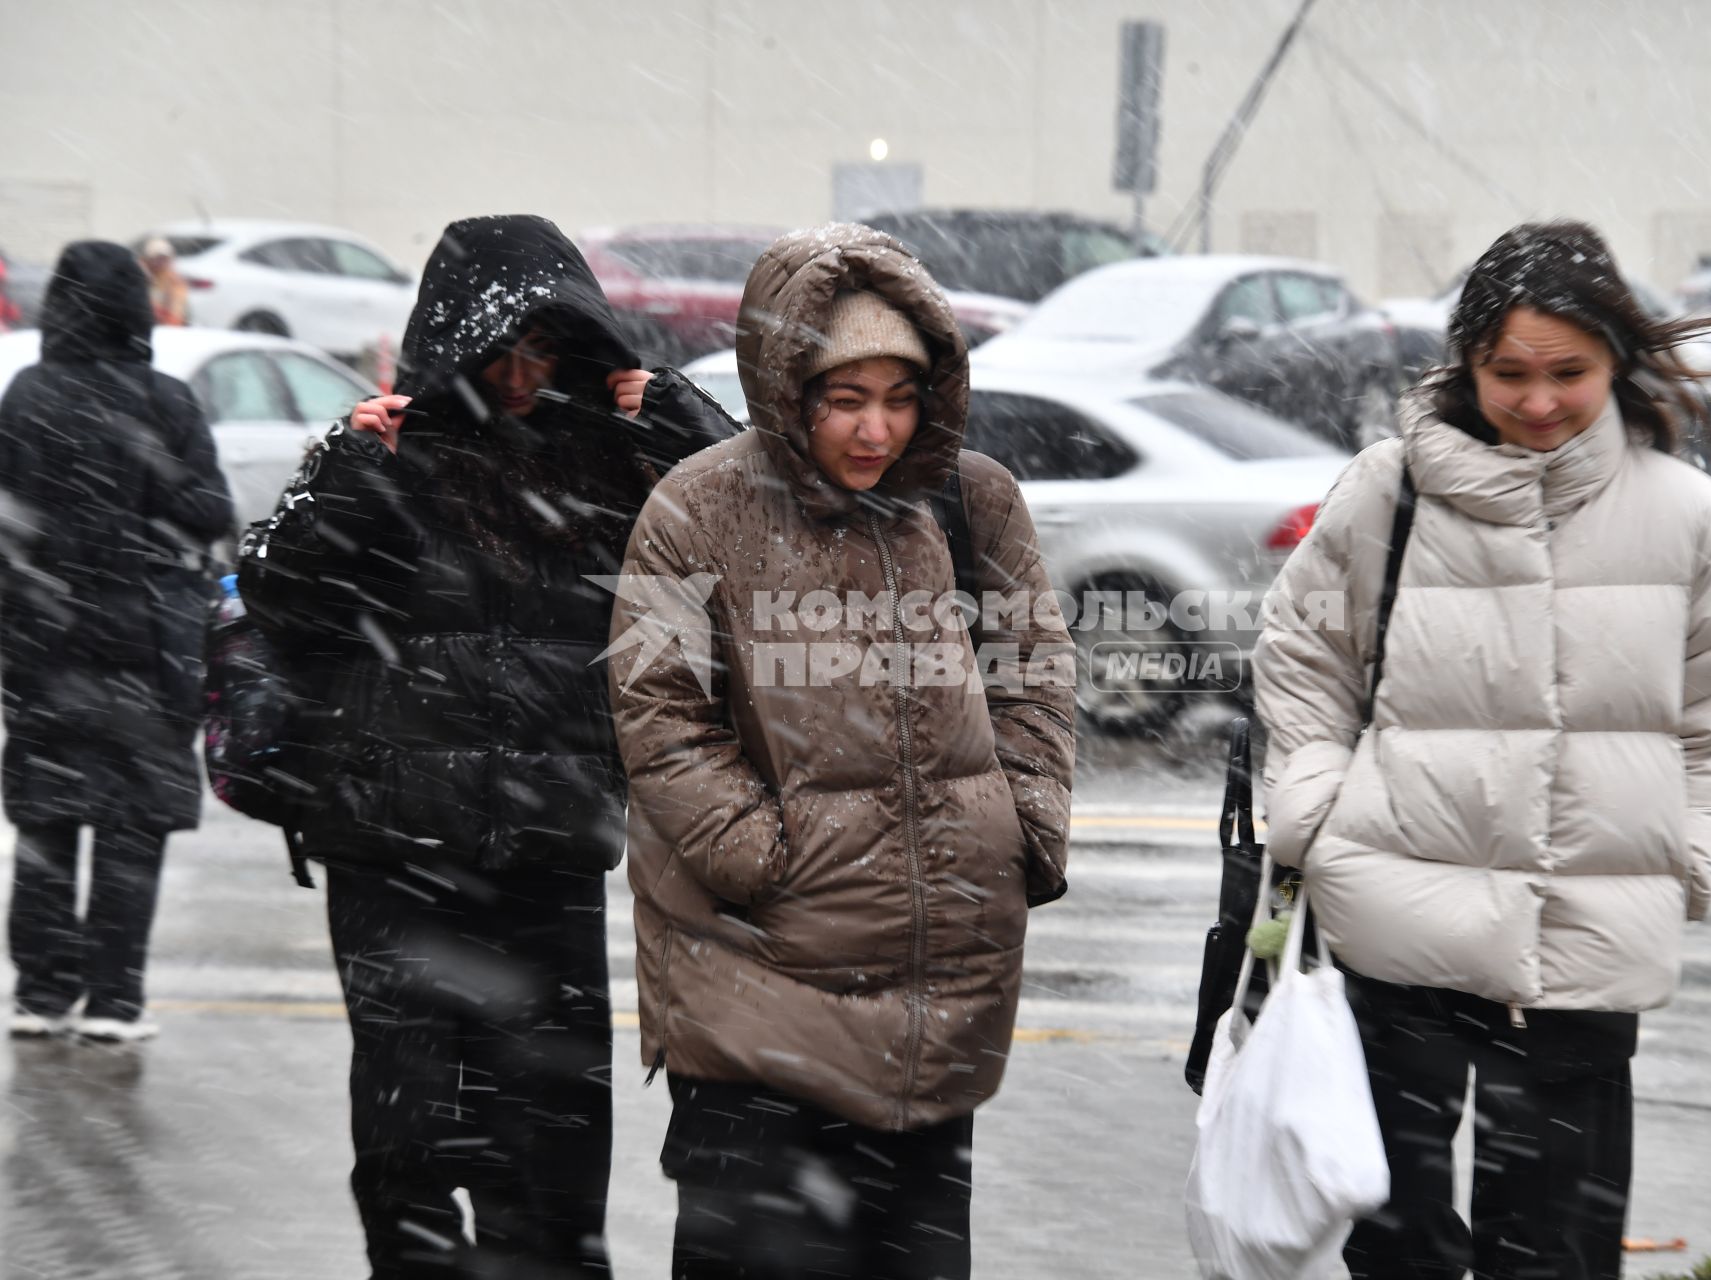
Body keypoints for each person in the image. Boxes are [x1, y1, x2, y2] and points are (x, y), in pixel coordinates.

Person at [1252, 221, 1711, 1279]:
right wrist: (1313, 810)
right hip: (1398, 915)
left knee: (1559, 1254)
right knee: (1399, 1245)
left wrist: (1689, 854)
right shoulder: (1390, 492)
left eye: (1568, 373)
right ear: (1466, 363)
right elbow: (1303, 653)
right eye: (1508, 372)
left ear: (1615, 362)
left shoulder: (1683, 513)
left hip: (1588, 935)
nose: (1538, 402)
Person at [238, 213, 727, 1279]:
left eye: (545, 349)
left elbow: (756, 545)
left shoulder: (610, 467)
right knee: (409, 1153)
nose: (520, 376)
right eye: (500, 349)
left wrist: (677, 414)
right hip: (392, 853)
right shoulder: (390, 450)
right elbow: (279, 589)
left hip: (547, 856)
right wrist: (355, 460)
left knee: (552, 1163)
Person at [609, 222, 1076, 1279]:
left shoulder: (972, 499)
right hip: (755, 990)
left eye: (899, 396)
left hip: (936, 987)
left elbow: (1035, 667)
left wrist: (1026, 823)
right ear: (788, 386)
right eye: (844, 397)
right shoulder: (696, 510)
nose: (875, 429)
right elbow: (659, 704)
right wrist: (758, 857)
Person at [1, 240, 234, 1041]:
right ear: (138, 310)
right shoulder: (164, 400)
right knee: (131, 829)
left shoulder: (26, 397)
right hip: (147, 647)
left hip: (42, 644)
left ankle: (39, 994)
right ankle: (112, 1001)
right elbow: (211, 514)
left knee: (46, 823)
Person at [140, 237, 190, 327]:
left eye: (165, 259)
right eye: (158, 258)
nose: (162, 262)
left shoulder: (175, 281)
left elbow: (176, 313)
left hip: (165, 327)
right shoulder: (140, 275)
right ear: (148, 259)